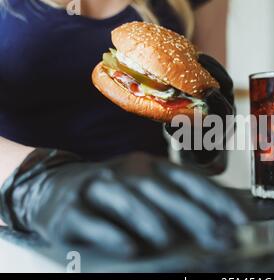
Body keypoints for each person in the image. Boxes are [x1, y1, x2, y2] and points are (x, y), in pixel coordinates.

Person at [0, 0, 246, 257]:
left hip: (147, 215)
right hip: (20, 226)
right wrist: (34, 188)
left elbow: (207, 147)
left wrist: (206, 139)